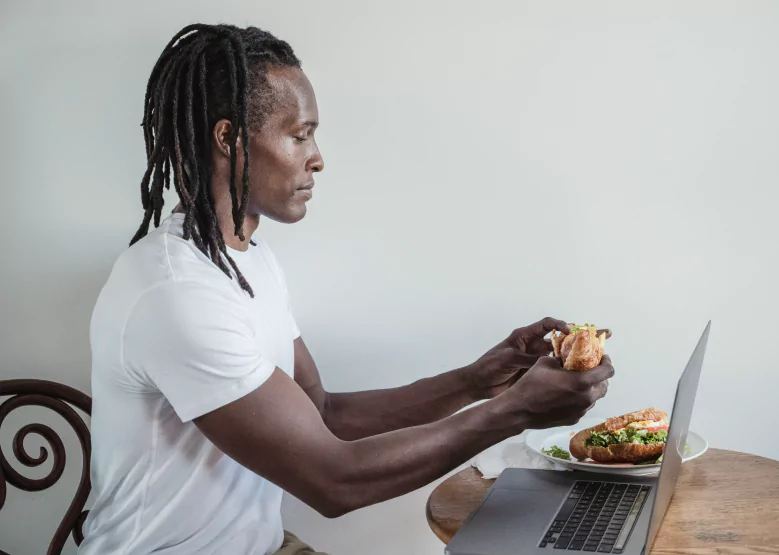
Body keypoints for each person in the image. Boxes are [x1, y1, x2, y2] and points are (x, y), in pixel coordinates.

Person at [80, 23, 614, 555]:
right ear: (229, 139)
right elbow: (332, 481)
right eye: (299, 134)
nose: (317, 157)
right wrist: (516, 412)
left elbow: (323, 413)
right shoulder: (177, 294)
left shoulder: (248, 260)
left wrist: (476, 381)